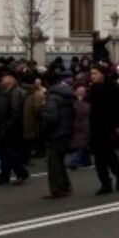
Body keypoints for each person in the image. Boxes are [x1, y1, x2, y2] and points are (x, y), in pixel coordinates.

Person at [89, 66, 119, 195]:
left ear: (102, 74)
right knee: (98, 158)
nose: (92, 76)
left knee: (109, 155)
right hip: (96, 126)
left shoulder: (113, 87)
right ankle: (105, 184)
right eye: (91, 73)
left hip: (109, 126)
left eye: (95, 73)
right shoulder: (93, 88)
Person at [0, 67, 28, 186]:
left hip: (11, 128)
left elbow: (15, 112)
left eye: (5, 77)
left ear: (12, 79)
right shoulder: (4, 91)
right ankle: (4, 177)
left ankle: (21, 174)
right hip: (2, 126)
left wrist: (7, 126)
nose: (2, 79)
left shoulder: (16, 92)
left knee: (11, 152)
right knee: (3, 152)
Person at [41, 71, 75, 199]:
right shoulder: (67, 93)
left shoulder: (52, 96)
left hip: (56, 133)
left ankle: (57, 189)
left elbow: (51, 117)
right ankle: (65, 186)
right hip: (66, 130)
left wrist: (44, 130)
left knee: (54, 163)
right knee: (60, 161)